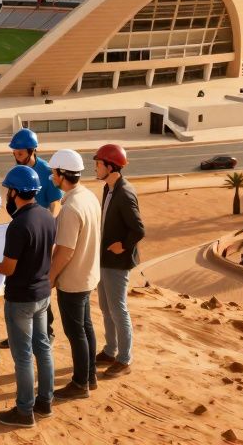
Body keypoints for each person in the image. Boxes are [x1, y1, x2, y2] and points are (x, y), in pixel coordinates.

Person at [0, 165, 56, 427]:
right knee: (43, 347)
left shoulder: (18, 225)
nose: (7, 196)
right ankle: (45, 402)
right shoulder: (48, 216)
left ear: (15, 192)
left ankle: (24, 411)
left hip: (21, 300)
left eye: (8, 191)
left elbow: (8, 268)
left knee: (23, 355)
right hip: (42, 294)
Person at [0, 128, 62, 349]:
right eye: (14, 152)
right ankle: (19, 333)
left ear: (32, 150)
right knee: (24, 281)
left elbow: (55, 202)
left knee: (39, 282)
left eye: (20, 152)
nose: (17, 155)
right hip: (24, 230)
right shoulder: (18, 170)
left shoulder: (45, 171)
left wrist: (49, 227)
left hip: (42, 232)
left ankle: (48, 331)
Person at [46, 149, 101, 399]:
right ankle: (90, 377)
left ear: (61, 174)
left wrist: (50, 279)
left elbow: (65, 252)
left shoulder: (70, 208)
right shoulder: (88, 196)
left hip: (73, 281)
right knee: (86, 327)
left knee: (75, 332)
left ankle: (80, 384)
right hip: (88, 276)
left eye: (53, 172)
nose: (51, 176)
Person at [93, 144, 145, 379]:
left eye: (98, 164)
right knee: (106, 308)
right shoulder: (109, 187)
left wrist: (122, 245)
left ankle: (124, 359)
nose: (96, 168)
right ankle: (111, 350)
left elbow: (138, 230)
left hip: (117, 262)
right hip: (104, 259)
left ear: (110, 166)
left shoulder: (124, 193)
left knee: (118, 309)